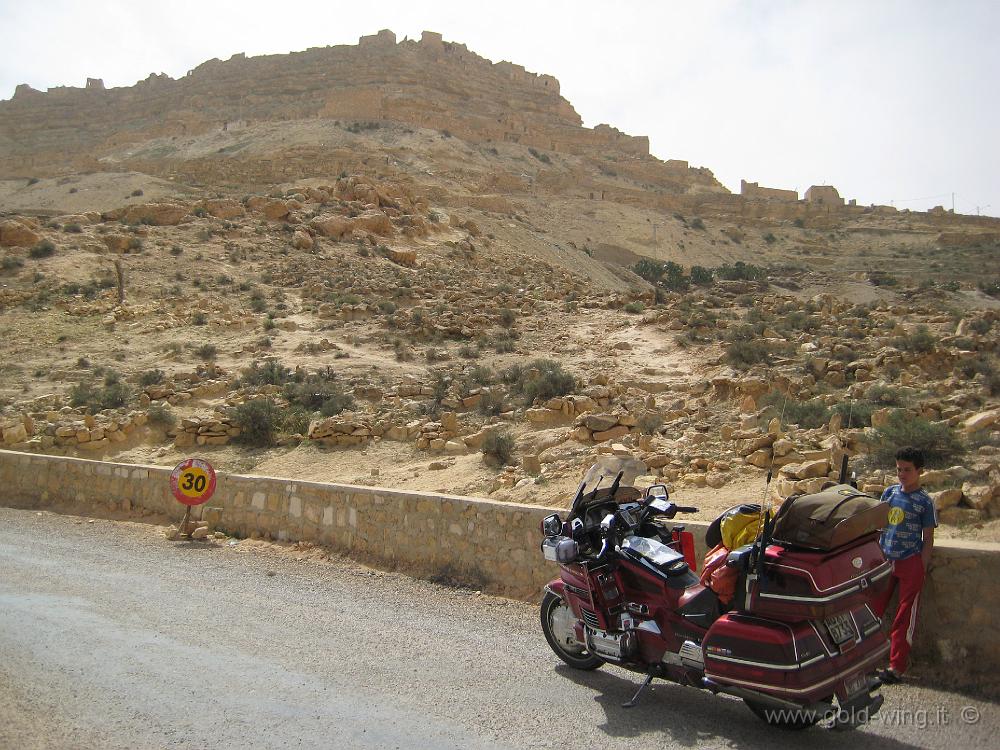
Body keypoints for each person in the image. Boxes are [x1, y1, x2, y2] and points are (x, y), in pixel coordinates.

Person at [873, 446, 937, 684]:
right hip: (885, 559)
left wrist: (921, 566)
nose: (902, 474)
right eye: (899, 469)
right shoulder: (889, 493)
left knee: (904, 617)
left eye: (907, 470)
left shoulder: (925, 502)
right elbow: (878, 524)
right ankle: (864, 661)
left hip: (910, 561)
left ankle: (896, 666)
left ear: (919, 471)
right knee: (872, 610)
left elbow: (928, 538)